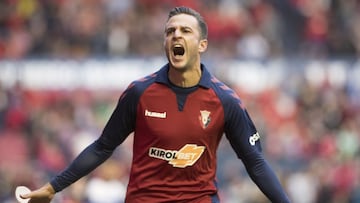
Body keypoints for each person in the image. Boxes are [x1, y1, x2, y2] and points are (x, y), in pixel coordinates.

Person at [22, 6, 290, 203]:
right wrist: (52, 187)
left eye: (185, 31)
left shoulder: (225, 100)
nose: (176, 36)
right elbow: (103, 146)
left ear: (202, 44)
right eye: (170, 31)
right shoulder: (140, 92)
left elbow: (255, 162)